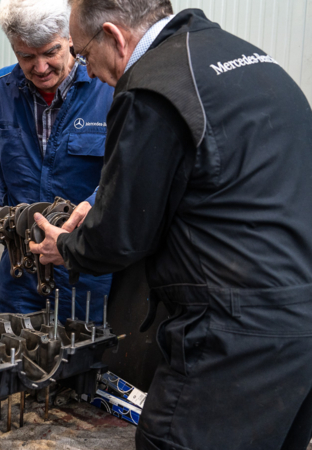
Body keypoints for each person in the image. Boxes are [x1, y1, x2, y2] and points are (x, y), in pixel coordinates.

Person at [30, 1, 312, 449]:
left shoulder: (153, 86)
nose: (91, 70)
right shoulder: (253, 61)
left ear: (114, 37)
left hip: (234, 333)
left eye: (83, 55)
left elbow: (120, 239)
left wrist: (66, 246)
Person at [0, 0, 113, 321]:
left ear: (70, 38)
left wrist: (94, 207)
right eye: (26, 56)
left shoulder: (107, 90)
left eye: (50, 52)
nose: (40, 67)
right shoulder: (2, 90)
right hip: (19, 263)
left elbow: (130, 168)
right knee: (11, 353)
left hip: (83, 263)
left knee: (81, 357)